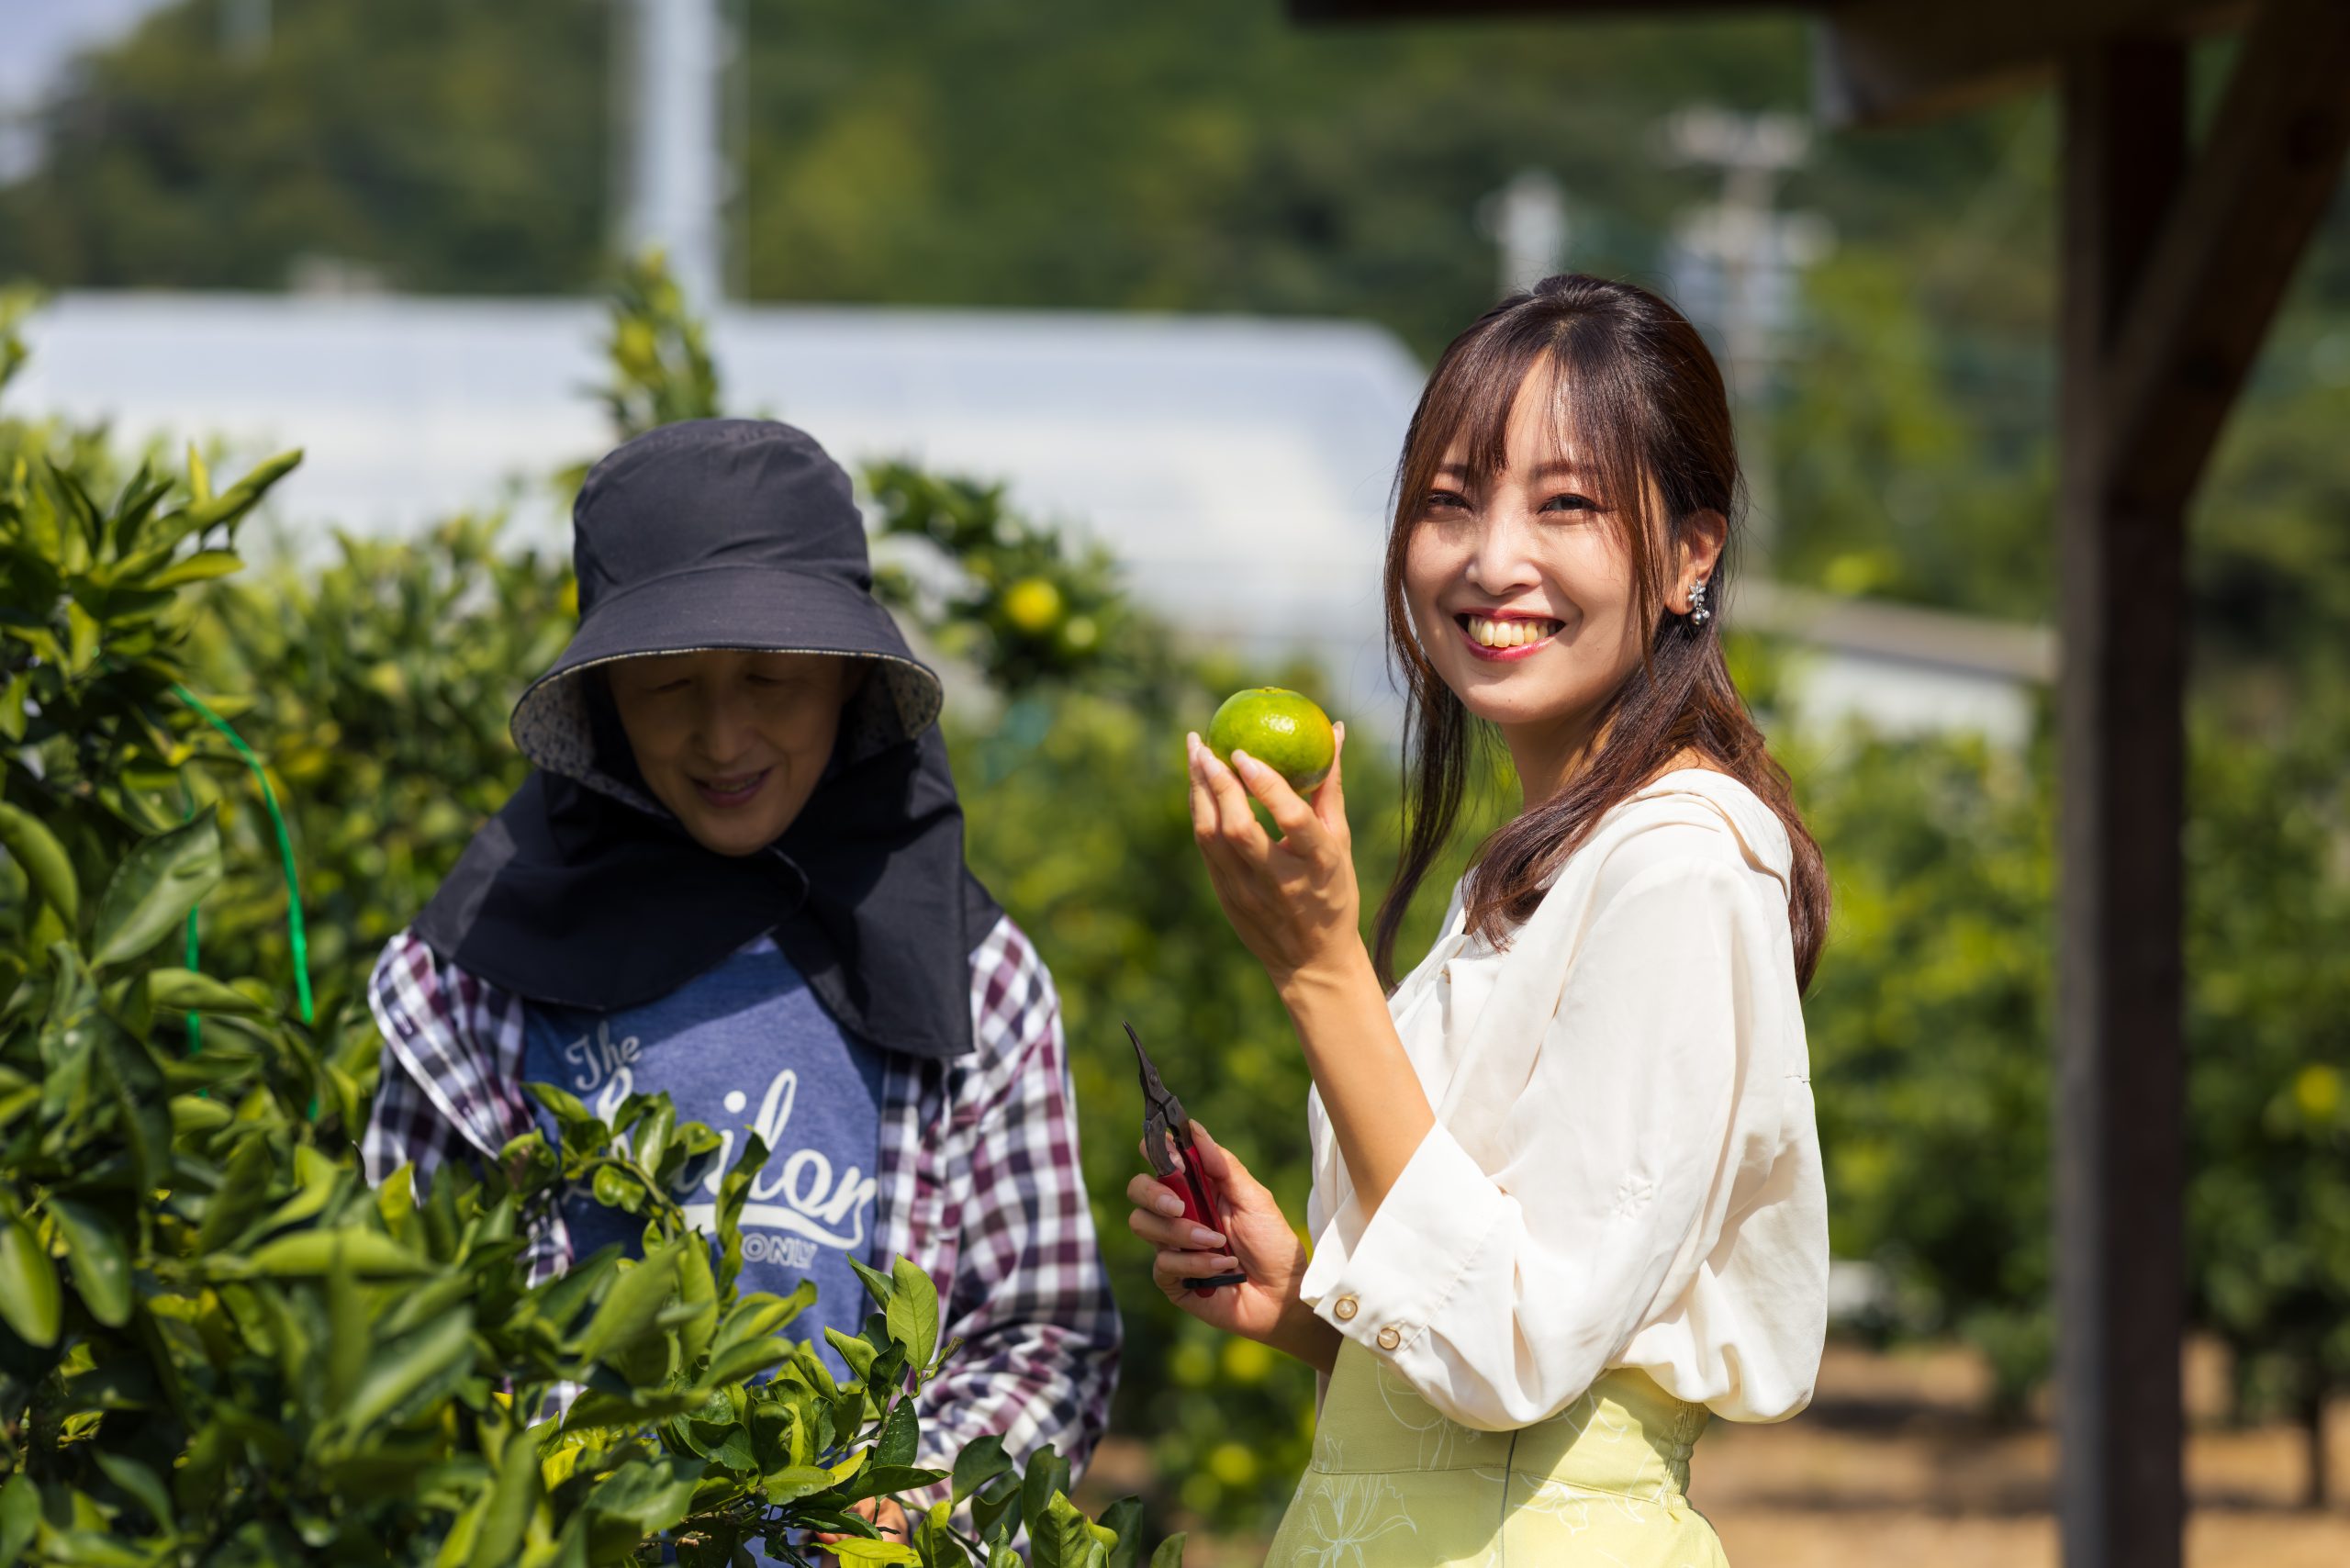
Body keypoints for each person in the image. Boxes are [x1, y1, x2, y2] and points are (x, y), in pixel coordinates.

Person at [1128, 274, 1829, 1564]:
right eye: (1451, 501)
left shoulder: (1682, 863)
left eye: (1567, 505)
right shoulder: (1537, 870)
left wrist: (1322, 968)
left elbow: (1518, 1348)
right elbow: (1506, 1343)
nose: (1492, 558)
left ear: (1691, 554)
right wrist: (1306, 1308)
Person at [362, 419, 1120, 1541]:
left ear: (848, 680)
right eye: (669, 686)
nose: (724, 737)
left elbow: (1041, 1327)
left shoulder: (972, 977)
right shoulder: (474, 972)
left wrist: (913, 1506)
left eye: (771, 677)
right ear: (607, 698)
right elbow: (399, 1306)